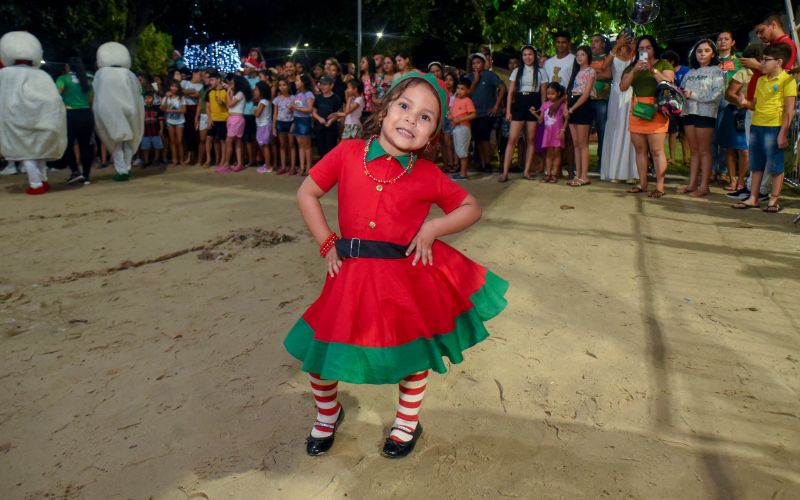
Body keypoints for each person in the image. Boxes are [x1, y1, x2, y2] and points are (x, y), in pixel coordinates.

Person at [285, 70, 508, 459]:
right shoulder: (348, 152)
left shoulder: (428, 174)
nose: (411, 119)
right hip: (349, 274)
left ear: (432, 135)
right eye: (404, 106)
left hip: (404, 281)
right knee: (321, 354)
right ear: (384, 108)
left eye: (425, 117)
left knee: (412, 355)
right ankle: (328, 413)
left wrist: (433, 228)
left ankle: (407, 421)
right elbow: (308, 192)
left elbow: (471, 207)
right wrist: (327, 243)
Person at [731, 43, 796, 212]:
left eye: (766, 60)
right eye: (762, 59)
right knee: (756, 164)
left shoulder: (788, 80)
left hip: (773, 127)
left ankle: (773, 200)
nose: (763, 63)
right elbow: (755, 105)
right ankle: (753, 197)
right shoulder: (760, 80)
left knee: (775, 166)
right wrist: (744, 102)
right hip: (756, 126)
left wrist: (783, 133)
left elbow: (789, 111)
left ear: (779, 62)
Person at [0, 31, 67, 195]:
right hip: (41, 119)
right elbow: (53, 99)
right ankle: (43, 180)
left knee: (27, 153)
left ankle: (36, 184)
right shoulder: (42, 74)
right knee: (39, 153)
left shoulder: (5, 74)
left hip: (17, 119)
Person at [619, 35, 675, 198]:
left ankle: (659, 186)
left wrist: (653, 70)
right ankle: (642, 183)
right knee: (640, 150)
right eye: (641, 49)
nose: (645, 51)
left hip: (657, 109)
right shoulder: (632, 67)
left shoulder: (663, 64)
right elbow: (622, 87)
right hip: (638, 110)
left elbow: (669, 83)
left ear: (654, 48)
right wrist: (635, 70)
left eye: (648, 47)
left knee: (657, 151)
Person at [677, 39, 725, 197]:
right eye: (699, 51)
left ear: (713, 54)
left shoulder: (716, 71)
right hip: (688, 113)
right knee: (695, 150)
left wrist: (694, 95)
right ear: (694, 54)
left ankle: (704, 186)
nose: (702, 54)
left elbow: (717, 95)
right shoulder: (690, 73)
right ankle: (692, 184)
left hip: (706, 113)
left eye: (706, 50)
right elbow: (682, 91)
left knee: (704, 150)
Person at [93, 42, 144, 182]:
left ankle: (122, 170)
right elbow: (138, 94)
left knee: (116, 143)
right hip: (131, 110)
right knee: (128, 141)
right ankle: (126, 168)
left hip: (111, 113)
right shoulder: (129, 74)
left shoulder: (101, 74)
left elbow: (97, 94)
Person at [499, 45, 548, 182]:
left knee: (531, 139)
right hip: (519, 104)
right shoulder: (516, 71)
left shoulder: (541, 72)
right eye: (525, 54)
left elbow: (543, 94)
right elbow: (510, 93)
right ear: (522, 57)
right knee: (512, 139)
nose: (528, 57)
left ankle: (526, 171)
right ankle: (505, 172)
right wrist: (508, 111)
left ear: (535, 56)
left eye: (530, 54)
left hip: (534, 104)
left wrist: (542, 112)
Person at [724, 43, 764, 198]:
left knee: (749, 152)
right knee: (742, 149)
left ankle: (750, 185)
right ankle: (743, 184)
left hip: (759, 115)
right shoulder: (745, 73)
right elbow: (730, 94)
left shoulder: (764, 73)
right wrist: (743, 102)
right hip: (741, 114)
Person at [601, 31, 638, 181]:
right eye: (623, 36)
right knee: (615, 128)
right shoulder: (614, 54)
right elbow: (604, 66)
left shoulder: (635, 56)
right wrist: (617, 46)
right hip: (616, 94)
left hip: (631, 93)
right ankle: (614, 170)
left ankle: (630, 172)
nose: (626, 39)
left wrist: (635, 48)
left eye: (628, 36)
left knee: (631, 130)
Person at [57, 57, 95, 184]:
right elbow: (91, 101)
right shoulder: (87, 80)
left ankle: (75, 171)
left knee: (67, 145)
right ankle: (87, 176)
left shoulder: (63, 79)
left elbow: (56, 94)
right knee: (85, 146)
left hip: (71, 115)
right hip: (87, 115)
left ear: (67, 66)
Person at [467, 53, 506, 172]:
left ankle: (488, 163)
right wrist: (475, 81)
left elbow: (502, 87)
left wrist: (496, 106)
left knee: (485, 138)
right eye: (473, 63)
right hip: (473, 113)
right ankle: (482, 163)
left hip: (486, 113)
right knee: (477, 139)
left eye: (478, 62)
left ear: (483, 64)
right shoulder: (470, 77)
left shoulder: (490, 75)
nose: (476, 65)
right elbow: (467, 93)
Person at [565, 46, 596, 186]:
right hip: (572, 104)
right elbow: (570, 92)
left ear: (588, 56)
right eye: (577, 55)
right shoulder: (576, 72)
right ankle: (578, 175)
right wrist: (567, 107)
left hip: (582, 106)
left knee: (583, 144)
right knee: (576, 143)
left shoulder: (591, 71)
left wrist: (572, 108)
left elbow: (585, 94)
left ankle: (585, 176)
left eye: (582, 54)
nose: (579, 57)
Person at [661, 50, 690, 168]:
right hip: (671, 105)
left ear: (672, 61)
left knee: (685, 133)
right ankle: (672, 158)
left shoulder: (686, 70)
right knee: (672, 132)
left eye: (665, 61)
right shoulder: (665, 72)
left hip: (685, 105)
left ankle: (686, 158)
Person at [217, 75, 251, 172]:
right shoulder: (239, 93)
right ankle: (239, 163)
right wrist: (229, 90)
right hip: (234, 118)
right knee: (237, 141)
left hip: (236, 119)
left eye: (232, 81)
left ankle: (227, 164)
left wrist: (228, 93)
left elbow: (230, 104)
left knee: (229, 141)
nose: (231, 83)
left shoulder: (240, 93)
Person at [538, 83, 568, 183]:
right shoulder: (544, 105)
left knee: (557, 153)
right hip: (548, 133)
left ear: (558, 93)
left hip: (557, 133)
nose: (550, 96)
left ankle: (554, 174)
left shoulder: (562, 105)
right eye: (548, 93)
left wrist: (563, 130)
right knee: (549, 154)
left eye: (552, 93)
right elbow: (540, 120)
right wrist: (534, 113)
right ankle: (548, 174)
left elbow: (567, 118)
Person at [590, 34, 612, 170]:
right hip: (585, 100)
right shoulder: (586, 57)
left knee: (602, 131)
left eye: (596, 41)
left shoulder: (607, 58)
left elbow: (608, 75)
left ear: (603, 43)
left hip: (602, 100)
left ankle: (602, 163)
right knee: (584, 132)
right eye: (591, 41)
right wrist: (599, 71)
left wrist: (592, 73)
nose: (593, 44)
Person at [449, 77, 477, 180]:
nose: (459, 91)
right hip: (456, 127)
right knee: (459, 150)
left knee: (463, 151)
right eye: (458, 88)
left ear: (468, 90)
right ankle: (462, 172)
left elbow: (473, 114)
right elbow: (451, 113)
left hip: (463, 128)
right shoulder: (456, 100)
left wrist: (461, 119)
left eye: (462, 89)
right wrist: (450, 116)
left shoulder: (467, 100)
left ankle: (463, 174)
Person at [312, 76, 343, 158]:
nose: (322, 87)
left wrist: (331, 120)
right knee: (321, 150)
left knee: (331, 150)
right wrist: (319, 118)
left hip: (331, 129)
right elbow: (314, 112)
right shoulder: (318, 98)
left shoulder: (336, 98)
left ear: (331, 85)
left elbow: (339, 113)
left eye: (325, 84)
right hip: (319, 127)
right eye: (321, 84)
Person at [291, 74, 315, 175]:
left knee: (307, 145)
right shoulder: (298, 93)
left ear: (303, 83)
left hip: (305, 120)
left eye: (297, 80)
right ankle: (302, 167)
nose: (295, 82)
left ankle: (308, 167)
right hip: (297, 119)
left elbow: (309, 109)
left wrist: (296, 108)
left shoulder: (308, 94)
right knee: (300, 145)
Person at [160, 81, 187, 167]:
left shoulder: (181, 98)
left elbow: (184, 110)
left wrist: (172, 111)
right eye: (172, 86)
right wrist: (166, 98)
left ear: (178, 88)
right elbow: (162, 108)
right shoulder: (166, 97)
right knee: (172, 141)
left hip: (180, 121)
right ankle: (175, 160)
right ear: (169, 87)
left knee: (179, 141)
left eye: (176, 86)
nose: (174, 88)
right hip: (170, 121)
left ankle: (181, 160)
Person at [272, 78, 295, 175]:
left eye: (284, 85)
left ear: (288, 86)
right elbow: (275, 113)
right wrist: (274, 127)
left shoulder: (293, 98)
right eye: (280, 85)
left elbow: (296, 112)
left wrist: (294, 123)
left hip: (290, 122)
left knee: (291, 145)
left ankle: (293, 167)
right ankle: (283, 166)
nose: (282, 87)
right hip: (280, 123)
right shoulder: (277, 99)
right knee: (282, 145)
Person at [206, 71, 228, 168]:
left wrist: (222, 103)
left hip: (223, 119)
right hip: (213, 119)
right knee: (209, 138)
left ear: (218, 80)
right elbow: (207, 106)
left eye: (212, 80)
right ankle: (208, 159)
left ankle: (223, 160)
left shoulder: (226, 90)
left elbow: (230, 106)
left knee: (223, 140)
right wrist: (209, 119)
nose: (210, 82)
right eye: (210, 80)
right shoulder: (209, 91)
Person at [181, 68, 204, 164]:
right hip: (184, 109)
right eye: (200, 74)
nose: (201, 77)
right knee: (186, 132)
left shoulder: (201, 85)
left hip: (195, 109)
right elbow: (181, 91)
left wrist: (187, 92)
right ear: (194, 74)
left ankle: (194, 156)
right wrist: (191, 92)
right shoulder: (184, 82)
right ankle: (188, 155)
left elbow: (198, 95)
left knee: (195, 132)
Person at [252, 81, 273, 173]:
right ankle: (267, 164)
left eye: (256, 89)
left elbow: (257, 113)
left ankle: (268, 166)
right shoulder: (264, 101)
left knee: (265, 146)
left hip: (264, 125)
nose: (255, 91)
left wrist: (254, 111)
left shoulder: (263, 101)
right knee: (264, 146)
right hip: (262, 125)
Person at [140, 90, 164, 166]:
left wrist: (161, 129)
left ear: (153, 99)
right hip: (145, 132)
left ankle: (156, 160)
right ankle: (146, 161)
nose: (147, 100)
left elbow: (160, 120)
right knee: (145, 147)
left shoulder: (157, 108)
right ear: (144, 100)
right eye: (146, 98)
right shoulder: (141, 109)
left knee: (157, 146)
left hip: (155, 131)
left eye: (150, 98)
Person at [360, 56, 377, 122]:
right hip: (361, 108)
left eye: (363, 62)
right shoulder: (360, 77)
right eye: (360, 62)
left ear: (369, 64)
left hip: (373, 108)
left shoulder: (376, 76)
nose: (360, 64)